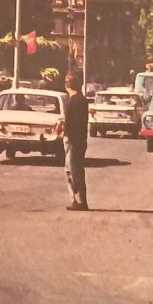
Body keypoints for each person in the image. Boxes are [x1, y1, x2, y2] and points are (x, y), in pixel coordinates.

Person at [63, 71, 89, 211]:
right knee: (74, 170)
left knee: (73, 171)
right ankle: (79, 200)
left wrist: (67, 134)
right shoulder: (82, 100)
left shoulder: (74, 101)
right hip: (79, 140)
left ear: (67, 85)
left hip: (74, 140)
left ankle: (78, 201)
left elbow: (74, 123)